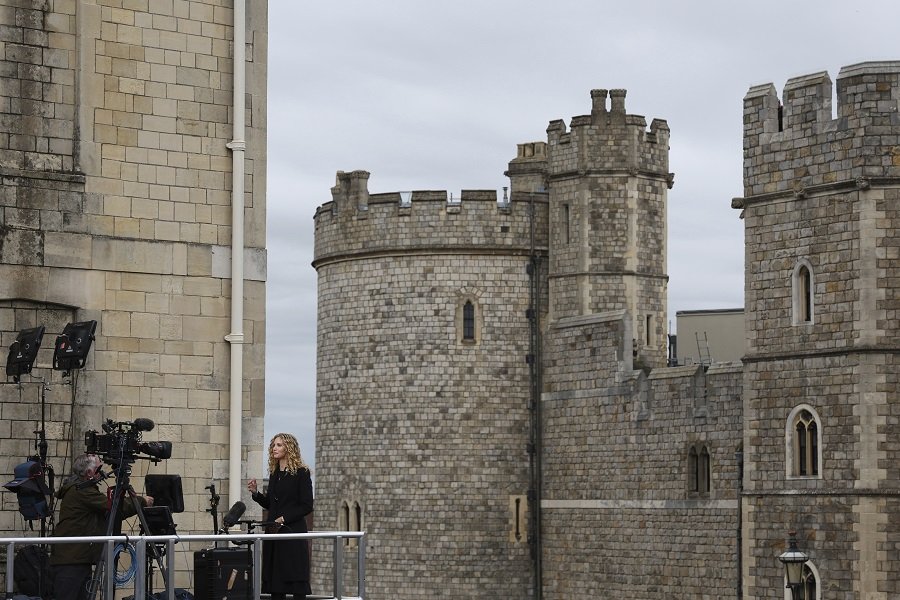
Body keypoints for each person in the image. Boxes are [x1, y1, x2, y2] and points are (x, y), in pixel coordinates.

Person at [50, 454, 153, 600]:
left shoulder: (80, 488)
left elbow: (110, 511)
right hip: (71, 560)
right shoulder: (82, 491)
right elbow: (114, 508)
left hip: (75, 557)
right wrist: (141, 501)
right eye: (99, 469)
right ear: (89, 473)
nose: (102, 472)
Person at [248, 433, 314, 600]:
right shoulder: (275, 473)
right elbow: (270, 504)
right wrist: (256, 493)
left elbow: (307, 505)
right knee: (275, 583)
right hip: (274, 533)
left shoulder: (302, 473)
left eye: (279, 445)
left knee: (296, 580)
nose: (274, 448)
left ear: (288, 448)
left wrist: (284, 518)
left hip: (292, 533)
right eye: (273, 445)